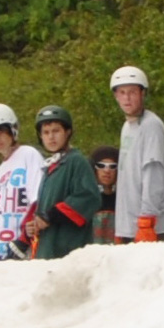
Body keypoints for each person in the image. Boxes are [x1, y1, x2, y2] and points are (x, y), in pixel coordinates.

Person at [111, 66, 164, 243]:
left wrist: (147, 219)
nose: (127, 98)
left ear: (142, 93)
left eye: (132, 92)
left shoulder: (151, 126)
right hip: (131, 220)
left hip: (152, 221)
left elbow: (153, 173)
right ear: (116, 96)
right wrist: (122, 225)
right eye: (122, 92)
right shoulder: (127, 127)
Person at [25, 106, 101, 259]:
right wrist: (35, 224)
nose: (51, 137)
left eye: (56, 131)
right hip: (48, 248)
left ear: (67, 132)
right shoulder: (50, 167)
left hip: (68, 249)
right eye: (46, 133)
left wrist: (49, 216)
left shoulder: (76, 161)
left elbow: (89, 197)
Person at [0, 103, 45, 260]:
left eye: (0, 132)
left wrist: (23, 242)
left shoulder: (29, 155)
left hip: (23, 245)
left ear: (12, 130)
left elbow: (38, 199)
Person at [90, 145, 119, 244]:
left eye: (113, 166)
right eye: (101, 165)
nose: (107, 171)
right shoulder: (87, 199)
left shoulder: (123, 201)